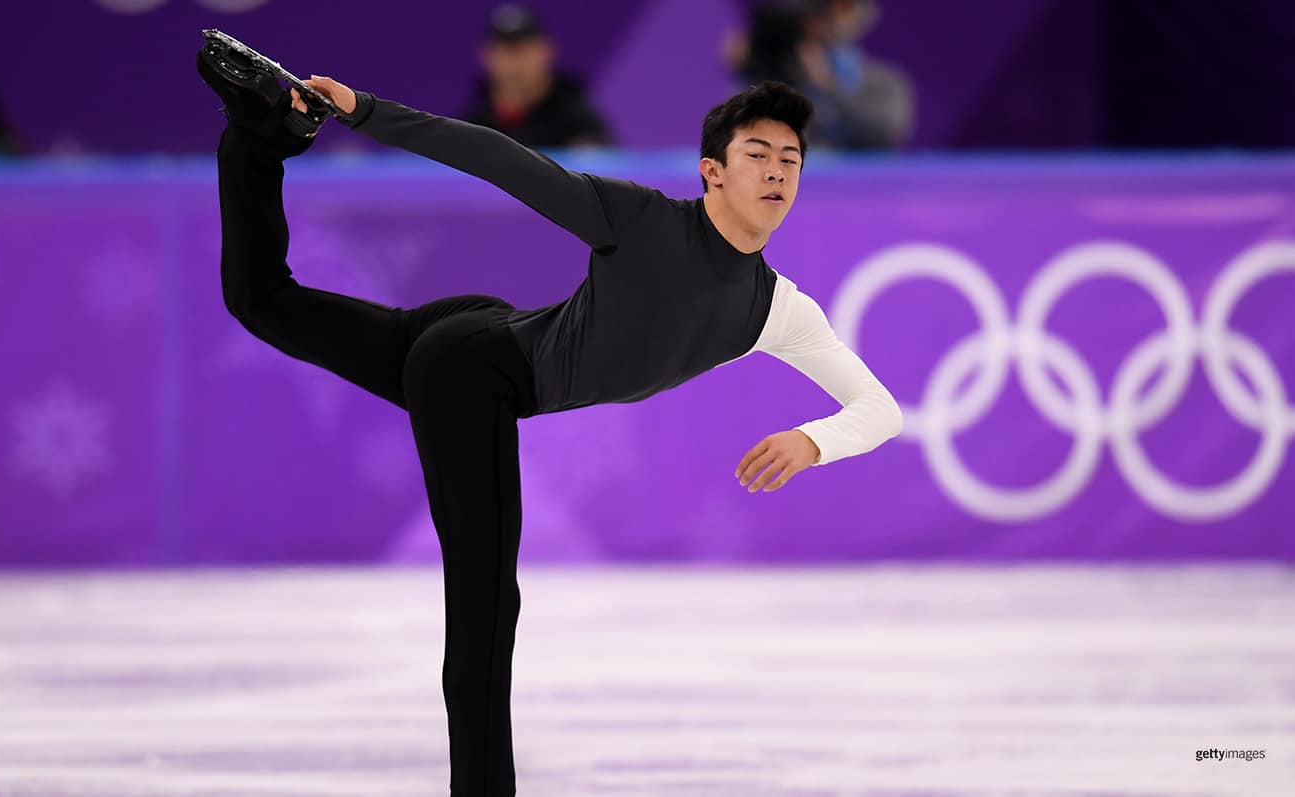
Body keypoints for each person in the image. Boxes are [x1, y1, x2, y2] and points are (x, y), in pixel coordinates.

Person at [197, 39, 901, 796]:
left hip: (477, 335)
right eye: (757, 153)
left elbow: (879, 409)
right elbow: (500, 159)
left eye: (790, 160)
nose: (775, 172)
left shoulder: (781, 312)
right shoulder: (640, 220)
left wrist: (812, 440)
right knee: (486, 600)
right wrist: (365, 111)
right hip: (476, 375)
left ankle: (256, 134)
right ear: (713, 171)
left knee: (261, 300)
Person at [732, 0, 913, 150]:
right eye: (813, 13)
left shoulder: (883, 85)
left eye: (840, 10)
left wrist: (829, 87)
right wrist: (749, 70)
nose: (819, 25)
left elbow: (884, 133)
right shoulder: (782, 82)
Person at [458, 3, 612, 148]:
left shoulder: (580, 124)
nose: (515, 64)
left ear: (547, 51)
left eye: (524, 51)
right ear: (486, 56)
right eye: (505, 52)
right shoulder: (474, 125)